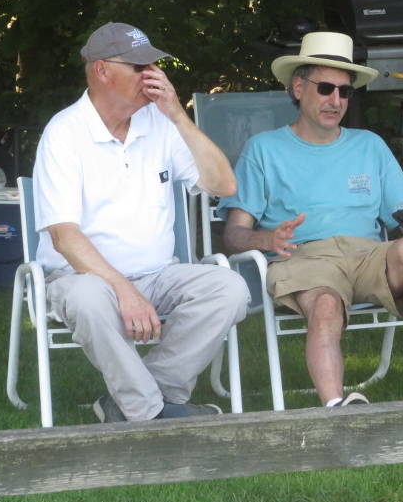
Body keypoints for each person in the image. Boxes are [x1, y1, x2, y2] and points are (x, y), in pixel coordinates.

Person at [219, 31, 403, 407]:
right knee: (326, 303)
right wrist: (267, 241)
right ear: (299, 88)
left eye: (344, 92)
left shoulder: (369, 145)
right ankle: (337, 409)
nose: (335, 100)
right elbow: (233, 234)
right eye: (326, 88)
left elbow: (399, 220)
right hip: (303, 256)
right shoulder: (263, 149)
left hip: (367, 256)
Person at [33, 22, 250, 423]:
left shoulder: (160, 124)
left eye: (153, 65)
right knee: (86, 299)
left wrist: (178, 117)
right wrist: (123, 290)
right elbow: (64, 237)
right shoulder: (64, 134)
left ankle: (139, 401)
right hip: (85, 276)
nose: (151, 75)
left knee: (228, 288)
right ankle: (151, 412)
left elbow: (225, 184)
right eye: (138, 67)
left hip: (156, 274)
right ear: (101, 71)